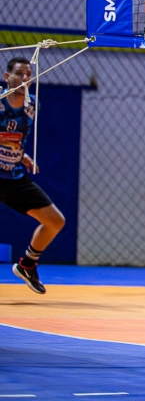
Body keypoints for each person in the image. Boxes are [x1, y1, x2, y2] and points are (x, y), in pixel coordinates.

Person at [1, 57, 65, 295]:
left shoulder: (31, 105)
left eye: (29, 74)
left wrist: (22, 156)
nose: (25, 78)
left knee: (55, 221)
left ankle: (27, 265)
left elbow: (12, 137)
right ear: (7, 77)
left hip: (13, 177)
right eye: (19, 73)